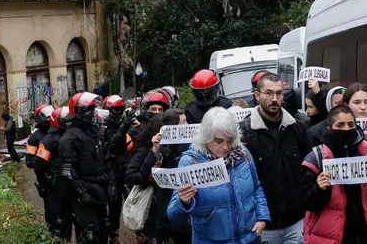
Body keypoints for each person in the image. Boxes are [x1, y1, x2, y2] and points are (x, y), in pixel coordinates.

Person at [168, 107, 270, 244]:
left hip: (250, 238)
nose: (226, 147)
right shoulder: (190, 162)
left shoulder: (242, 153)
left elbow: (257, 187)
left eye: (229, 140)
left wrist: (262, 217)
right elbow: (173, 216)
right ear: (206, 137)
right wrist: (184, 202)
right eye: (218, 141)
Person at [240, 73, 310, 244]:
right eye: (269, 93)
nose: (274, 98)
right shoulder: (244, 132)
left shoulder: (297, 128)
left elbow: (308, 171)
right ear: (257, 96)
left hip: (296, 222)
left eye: (279, 93)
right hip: (263, 224)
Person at [301, 105, 367, 244]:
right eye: (340, 125)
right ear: (329, 129)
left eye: (350, 124)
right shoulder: (316, 159)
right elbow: (307, 204)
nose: (346, 129)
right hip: (332, 237)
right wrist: (319, 189)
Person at [125, 109, 191, 244]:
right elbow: (133, 176)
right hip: (158, 214)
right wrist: (154, 152)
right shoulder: (148, 149)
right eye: (183, 122)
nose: (187, 125)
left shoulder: (186, 147)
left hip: (182, 213)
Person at [60, 92, 112, 244]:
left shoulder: (95, 132)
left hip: (99, 189)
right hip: (82, 191)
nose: (92, 113)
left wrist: (112, 183)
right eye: (88, 110)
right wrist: (81, 193)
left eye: (93, 109)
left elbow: (106, 160)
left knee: (104, 228)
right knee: (89, 234)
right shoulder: (70, 138)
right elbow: (67, 171)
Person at [37, 106, 74, 240]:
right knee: (58, 223)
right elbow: (39, 165)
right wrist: (46, 181)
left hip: (72, 185)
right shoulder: (48, 140)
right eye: (66, 121)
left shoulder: (72, 136)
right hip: (55, 187)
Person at [103, 95, 134, 237]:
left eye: (120, 110)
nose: (118, 113)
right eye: (115, 110)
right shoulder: (103, 129)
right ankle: (113, 236)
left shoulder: (131, 124)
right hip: (112, 173)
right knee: (113, 210)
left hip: (127, 171)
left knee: (135, 208)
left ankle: (140, 236)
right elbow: (112, 148)